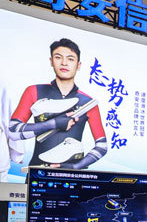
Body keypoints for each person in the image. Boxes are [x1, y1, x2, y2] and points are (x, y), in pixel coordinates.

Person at [8, 38, 107, 169]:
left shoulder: (88, 102)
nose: (64, 63)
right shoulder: (34, 91)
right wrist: (53, 124)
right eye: (58, 57)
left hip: (73, 176)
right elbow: (13, 130)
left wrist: (76, 166)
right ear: (51, 61)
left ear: (78, 65)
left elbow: (102, 146)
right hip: (38, 172)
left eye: (70, 59)